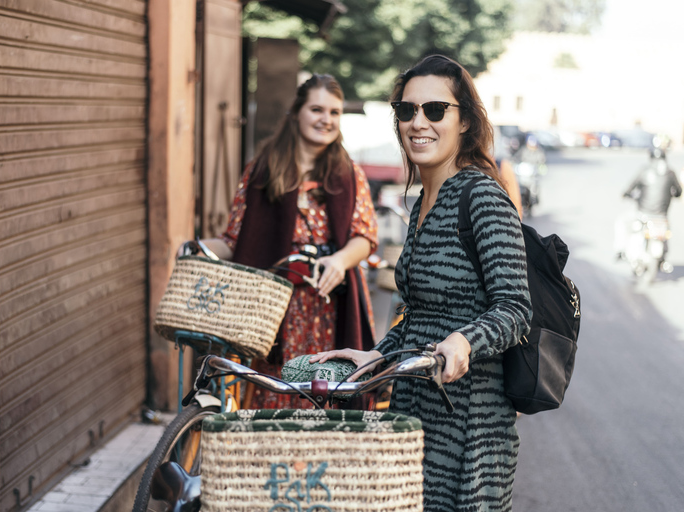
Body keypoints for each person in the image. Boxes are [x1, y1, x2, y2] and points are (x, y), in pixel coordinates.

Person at [311, 55, 532, 511]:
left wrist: (465, 341)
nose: (418, 122)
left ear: (465, 121)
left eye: (435, 110)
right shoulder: (423, 203)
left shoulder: (483, 197)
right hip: (413, 416)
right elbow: (420, 316)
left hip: (470, 430)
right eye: (406, 110)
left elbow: (515, 308)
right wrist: (377, 354)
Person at [186, 74, 378, 409]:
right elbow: (236, 240)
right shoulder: (262, 170)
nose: (326, 119)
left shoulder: (348, 173)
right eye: (317, 109)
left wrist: (340, 260)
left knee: (324, 390)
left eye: (334, 112)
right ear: (297, 112)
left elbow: (365, 236)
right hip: (274, 308)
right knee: (272, 394)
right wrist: (193, 248)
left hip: (329, 304)